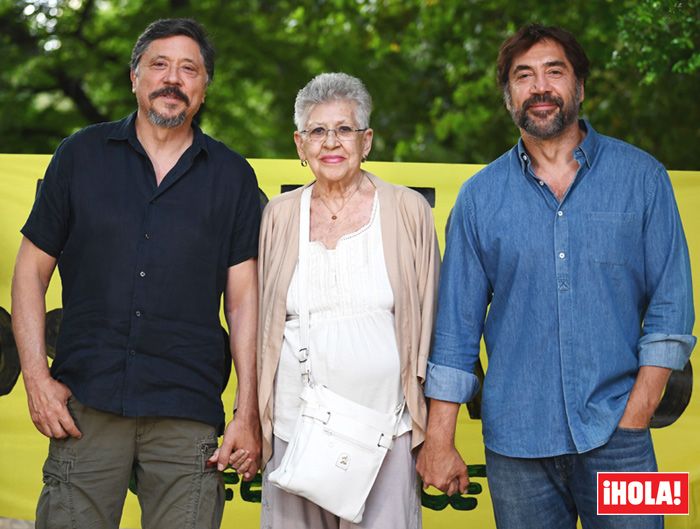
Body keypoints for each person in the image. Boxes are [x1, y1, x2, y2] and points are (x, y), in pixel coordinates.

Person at [417, 23, 695, 529]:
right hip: (515, 448)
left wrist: (634, 420)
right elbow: (455, 332)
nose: (540, 87)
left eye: (554, 72)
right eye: (524, 76)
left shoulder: (644, 178)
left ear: (580, 87)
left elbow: (672, 312)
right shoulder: (478, 199)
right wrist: (439, 440)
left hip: (624, 443)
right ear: (509, 97)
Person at [11, 18, 261, 529]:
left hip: (187, 412)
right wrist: (36, 379)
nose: (173, 79)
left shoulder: (233, 177)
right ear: (134, 77)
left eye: (189, 69)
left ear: (204, 87)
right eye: (159, 65)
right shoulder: (79, 155)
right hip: (86, 407)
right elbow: (29, 275)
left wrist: (247, 412)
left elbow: (243, 303)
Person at [257, 72, 439, 529]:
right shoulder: (278, 216)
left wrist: (434, 429)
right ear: (300, 145)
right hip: (293, 429)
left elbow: (433, 325)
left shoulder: (407, 210)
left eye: (344, 129)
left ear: (367, 140)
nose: (331, 142)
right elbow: (263, 328)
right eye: (317, 131)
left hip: (386, 432)